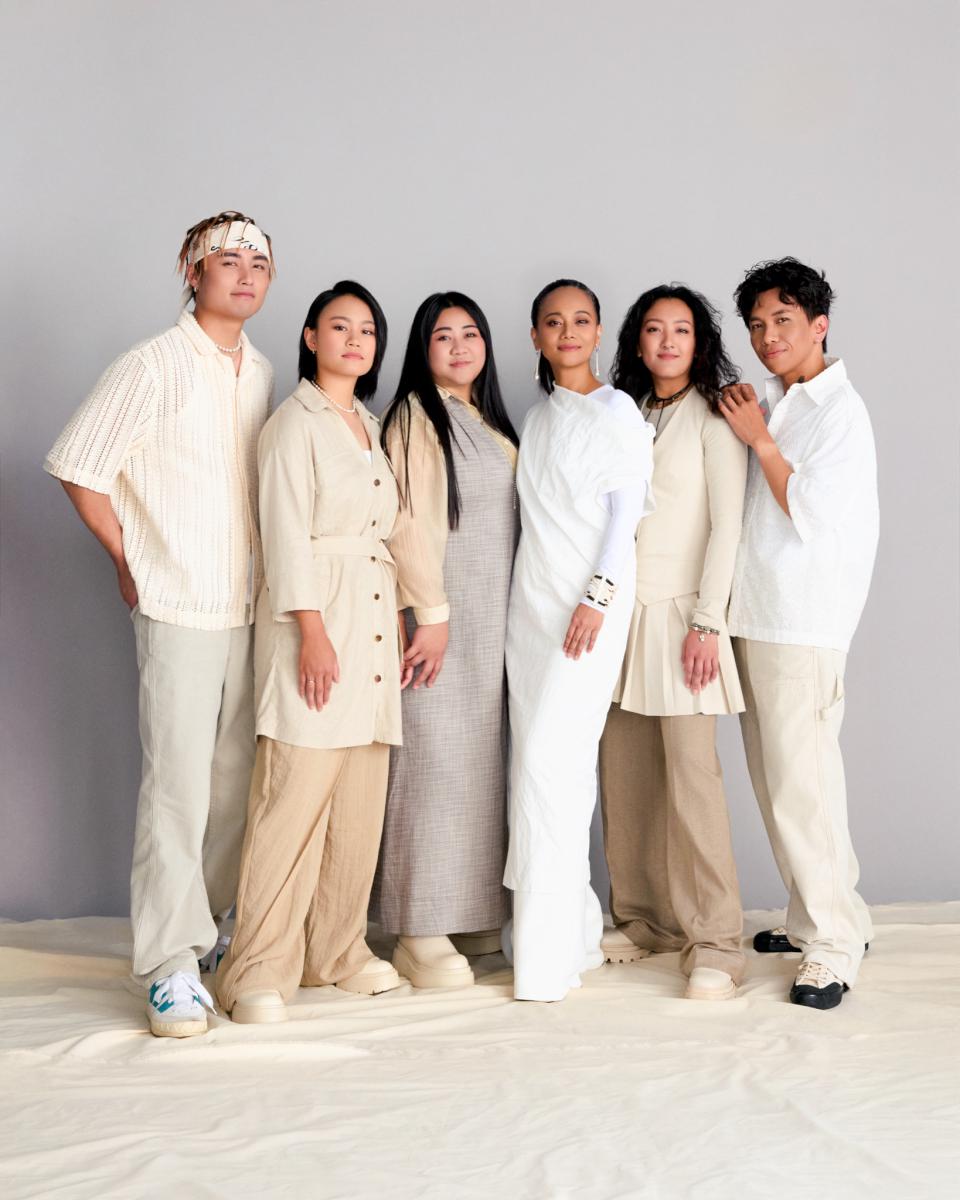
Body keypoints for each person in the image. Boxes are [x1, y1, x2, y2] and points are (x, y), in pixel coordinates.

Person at [43, 211, 274, 1037]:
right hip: (177, 603)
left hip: (249, 607)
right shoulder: (150, 365)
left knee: (235, 785)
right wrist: (126, 556)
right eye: (228, 259)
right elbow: (79, 465)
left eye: (259, 263)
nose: (245, 274)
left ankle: (206, 933)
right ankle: (168, 966)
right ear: (192, 269)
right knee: (176, 787)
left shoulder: (261, 371)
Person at [215, 281, 413, 1024]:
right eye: (340, 327)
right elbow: (284, 533)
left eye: (368, 330)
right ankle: (256, 967)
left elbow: (388, 531)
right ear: (310, 338)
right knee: (292, 798)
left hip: (371, 617)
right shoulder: (291, 426)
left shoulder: (370, 425)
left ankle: (336, 951)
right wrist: (313, 631)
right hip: (316, 619)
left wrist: (400, 614)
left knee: (357, 800)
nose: (355, 341)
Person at [721, 257, 879, 1010]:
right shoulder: (784, 402)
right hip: (758, 616)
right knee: (778, 781)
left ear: (820, 325)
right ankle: (830, 914)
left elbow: (811, 513)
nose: (767, 337)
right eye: (757, 325)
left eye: (782, 320)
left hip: (801, 622)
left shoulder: (838, 411)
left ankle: (831, 948)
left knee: (802, 786)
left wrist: (759, 441)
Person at [504, 279, 655, 1002]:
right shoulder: (536, 420)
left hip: (588, 609)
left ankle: (547, 959)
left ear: (598, 333)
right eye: (553, 321)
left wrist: (597, 597)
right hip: (530, 613)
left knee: (550, 764)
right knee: (535, 767)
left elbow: (626, 516)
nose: (568, 331)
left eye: (581, 320)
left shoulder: (617, 410)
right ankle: (573, 932)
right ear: (535, 335)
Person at [598, 284, 748, 1000]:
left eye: (681, 330)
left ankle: (716, 940)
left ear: (699, 342)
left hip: (686, 615)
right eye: (654, 329)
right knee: (625, 779)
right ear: (637, 340)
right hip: (621, 619)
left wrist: (708, 622)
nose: (666, 341)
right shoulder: (624, 413)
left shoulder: (714, 418)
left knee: (693, 783)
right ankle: (645, 919)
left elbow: (728, 526)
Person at [370, 293, 520, 988]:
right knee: (431, 762)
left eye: (470, 334)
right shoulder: (416, 416)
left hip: (489, 618)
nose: (459, 347)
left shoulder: (483, 418)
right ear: (421, 350)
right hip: (438, 616)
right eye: (443, 336)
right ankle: (417, 927)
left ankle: (469, 909)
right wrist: (428, 614)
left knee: (477, 762)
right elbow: (406, 521)